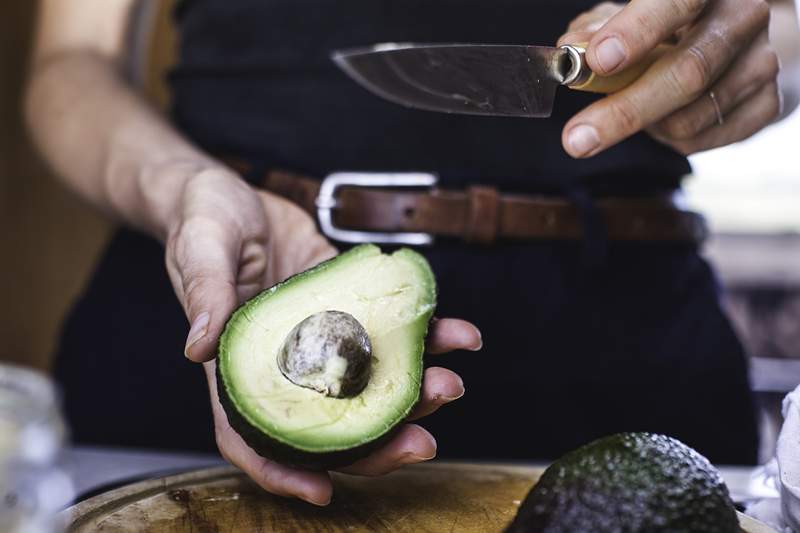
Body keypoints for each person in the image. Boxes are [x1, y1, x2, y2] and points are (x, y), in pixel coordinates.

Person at [26, 0, 799, 506]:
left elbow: (780, 30)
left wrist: (758, 50)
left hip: (626, 338)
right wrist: (181, 186)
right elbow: (70, 65)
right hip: (236, 267)